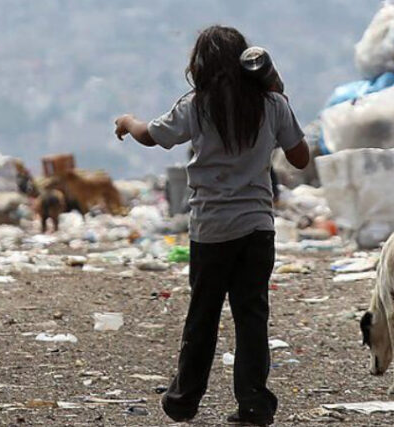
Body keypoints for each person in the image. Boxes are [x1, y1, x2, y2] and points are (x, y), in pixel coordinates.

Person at [114, 25, 309, 425]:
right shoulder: (271, 104)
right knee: (251, 317)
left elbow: (153, 136)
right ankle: (254, 406)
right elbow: (301, 158)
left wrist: (127, 121)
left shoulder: (197, 104)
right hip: (257, 228)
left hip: (211, 229)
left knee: (203, 316)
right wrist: (280, 94)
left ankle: (184, 401)